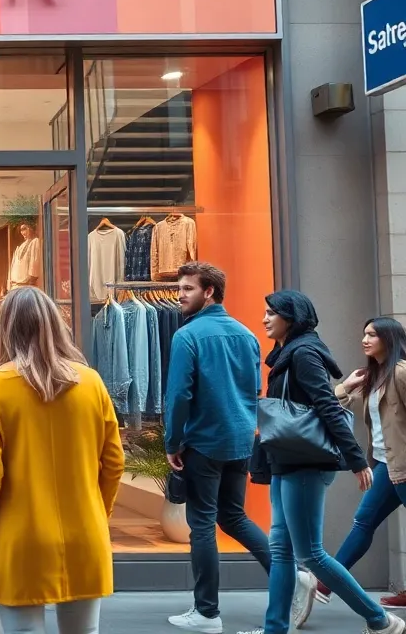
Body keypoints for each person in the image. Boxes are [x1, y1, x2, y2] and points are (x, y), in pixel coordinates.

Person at [0, 287, 124, 634]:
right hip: (85, 531)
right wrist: (100, 510)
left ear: (3, 328)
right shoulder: (91, 382)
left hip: (21, 536)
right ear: (55, 324)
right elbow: (113, 462)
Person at [242, 292, 404, 634]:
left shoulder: (303, 353)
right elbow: (323, 400)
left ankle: (380, 620)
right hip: (286, 461)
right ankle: (275, 629)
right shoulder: (289, 353)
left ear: (293, 316)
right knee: (282, 551)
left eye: (272, 313)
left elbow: (327, 409)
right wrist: (344, 387)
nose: (265, 319)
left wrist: (358, 460)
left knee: (311, 554)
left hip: (305, 464)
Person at [163, 262, 273, 634]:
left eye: (187, 289)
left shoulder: (188, 336)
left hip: (204, 441)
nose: (179, 295)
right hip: (240, 438)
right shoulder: (247, 335)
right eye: (179, 288)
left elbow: (178, 395)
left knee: (202, 525)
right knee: (234, 516)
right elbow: (255, 389)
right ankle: (291, 575)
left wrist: (172, 442)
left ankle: (207, 613)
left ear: (209, 291)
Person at [295, 317, 406, 625]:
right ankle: (325, 583)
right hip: (386, 464)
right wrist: (346, 385)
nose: (365, 339)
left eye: (372, 334)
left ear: (389, 339)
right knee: (363, 522)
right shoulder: (373, 376)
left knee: (363, 522)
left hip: (404, 465)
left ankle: (325, 582)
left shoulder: (400, 372)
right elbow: (329, 404)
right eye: (364, 333)